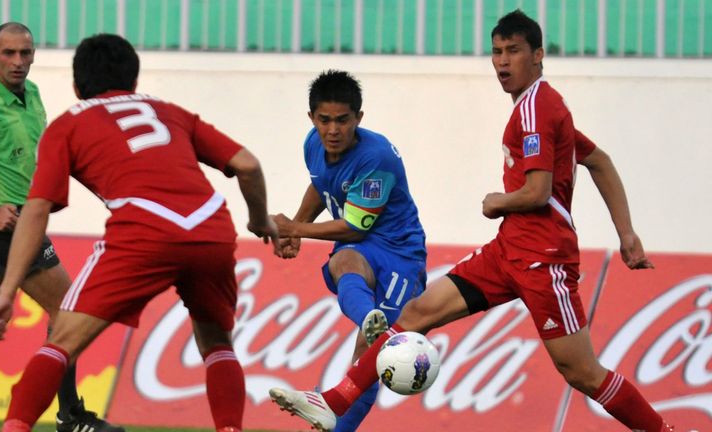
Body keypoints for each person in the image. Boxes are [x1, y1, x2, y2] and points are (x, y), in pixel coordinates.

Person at [268, 10, 673, 432]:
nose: (502, 62)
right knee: (418, 311)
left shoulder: (536, 108)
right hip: (507, 251)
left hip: (542, 259)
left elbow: (536, 192)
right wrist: (626, 234)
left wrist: (499, 201)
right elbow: (599, 161)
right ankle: (332, 400)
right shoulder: (537, 107)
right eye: (496, 52)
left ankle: (664, 431)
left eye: (513, 51)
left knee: (582, 372)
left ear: (538, 56)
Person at [0, 33, 279, 432]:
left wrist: (6, 291)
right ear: (134, 82)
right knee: (217, 345)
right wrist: (260, 220)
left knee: (62, 341)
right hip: (210, 227)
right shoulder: (171, 112)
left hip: (144, 230)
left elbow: (36, 211)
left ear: (76, 87)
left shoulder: (69, 124)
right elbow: (247, 165)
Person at [0, 22, 122, 432]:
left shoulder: (34, 95)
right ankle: (71, 417)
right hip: (5, 228)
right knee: (68, 311)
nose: (18, 62)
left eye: (25, 53)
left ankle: (69, 415)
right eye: (8, 53)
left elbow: (42, 156)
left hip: (24, 221)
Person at [271, 70, 427, 431]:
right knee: (343, 260)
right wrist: (298, 225)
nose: (333, 130)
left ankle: (371, 330)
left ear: (359, 118)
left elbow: (356, 226)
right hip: (361, 246)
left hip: (400, 255)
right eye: (324, 120)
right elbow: (322, 186)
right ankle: (370, 320)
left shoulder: (376, 157)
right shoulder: (314, 144)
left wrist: (295, 229)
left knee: (371, 360)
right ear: (312, 118)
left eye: (343, 120)